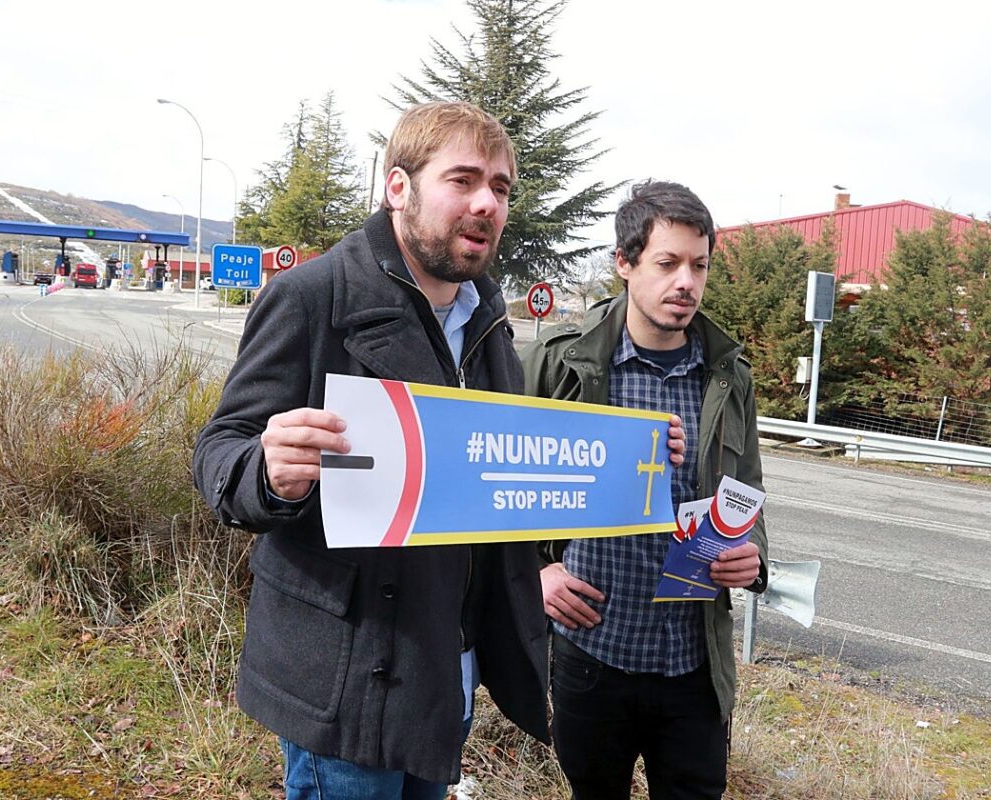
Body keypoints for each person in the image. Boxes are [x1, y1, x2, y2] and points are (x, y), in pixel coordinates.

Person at [193, 101, 551, 800]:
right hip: (347, 677)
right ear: (398, 187)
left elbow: (497, 478)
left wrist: (627, 469)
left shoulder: (489, 319)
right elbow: (218, 450)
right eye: (462, 180)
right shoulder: (312, 296)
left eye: (500, 188)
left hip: (446, 671)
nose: (486, 203)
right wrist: (266, 471)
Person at [522, 180, 769, 800]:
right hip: (593, 650)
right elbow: (503, 480)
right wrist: (535, 572)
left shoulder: (728, 376)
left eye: (699, 266)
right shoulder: (560, 363)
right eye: (667, 263)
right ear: (624, 264)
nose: (686, 282)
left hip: (693, 660)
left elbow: (747, 485)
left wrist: (753, 555)